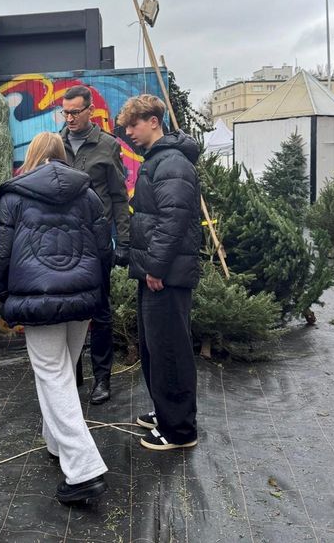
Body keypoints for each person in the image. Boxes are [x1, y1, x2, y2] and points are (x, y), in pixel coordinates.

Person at [0, 132, 111, 502]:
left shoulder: (13, 195)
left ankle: (84, 470)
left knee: (54, 376)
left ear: (33, 155)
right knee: (63, 372)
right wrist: (99, 292)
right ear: (61, 155)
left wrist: (2, 294)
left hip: (37, 299)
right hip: (82, 298)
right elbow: (104, 248)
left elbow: (1, 254)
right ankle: (55, 442)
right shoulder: (87, 194)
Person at [116, 94, 201, 451]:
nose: (130, 132)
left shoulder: (172, 163)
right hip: (157, 272)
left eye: (134, 124)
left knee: (170, 350)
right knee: (155, 347)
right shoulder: (159, 160)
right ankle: (165, 411)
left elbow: (174, 220)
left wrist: (156, 267)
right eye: (127, 127)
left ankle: (179, 431)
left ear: (154, 121)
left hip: (165, 275)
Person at [59, 85, 130, 405]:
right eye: (66, 112)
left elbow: (118, 197)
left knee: (100, 312)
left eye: (75, 112)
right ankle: (73, 374)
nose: (70, 118)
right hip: (63, 242)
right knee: (69, 310)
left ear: (90, 111)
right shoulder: (55, 144)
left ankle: (103, 378)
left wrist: (124, 241)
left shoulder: (107, 146)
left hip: (97, 241)